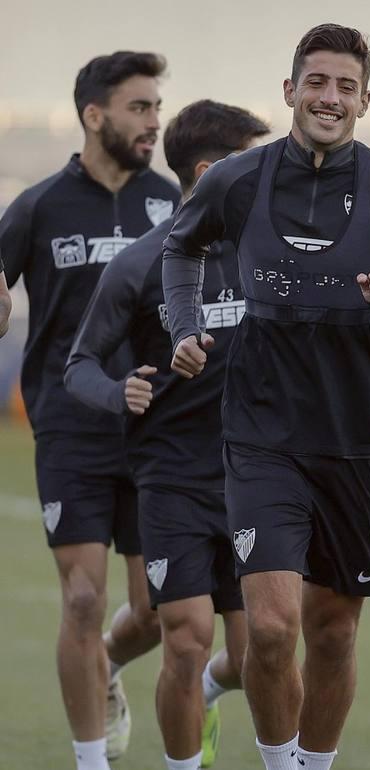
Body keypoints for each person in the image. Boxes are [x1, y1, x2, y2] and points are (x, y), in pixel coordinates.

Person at [161, 23, 370, 770]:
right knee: (268, 627)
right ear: (290, 90)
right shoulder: (238, 180)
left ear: (364, 101)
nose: (330, 98)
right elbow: (180, 246)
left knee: (332, 631)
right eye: (316, 82)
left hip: (356, 436)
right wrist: (185, 325)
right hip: (260, 434)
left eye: (345, 87)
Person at [65, 100, 269, 770]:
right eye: (253, 165)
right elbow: (80, 365)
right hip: (172, 478)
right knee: (185, 636)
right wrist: (119, 391)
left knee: (253, 654)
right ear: (208, 173)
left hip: (256, 478)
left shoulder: (270, 255)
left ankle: (208, 693)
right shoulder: (139, 265)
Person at [0, 50, 177, 770]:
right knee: (81, 598)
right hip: (70, 422)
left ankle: (103, 664)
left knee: (162, 610)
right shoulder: (39, 205)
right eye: (139, 108)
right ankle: (90, 760)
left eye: (157, 109)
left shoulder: (172, 202)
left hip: (155, 424)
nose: (153, 122)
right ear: (94, 115)